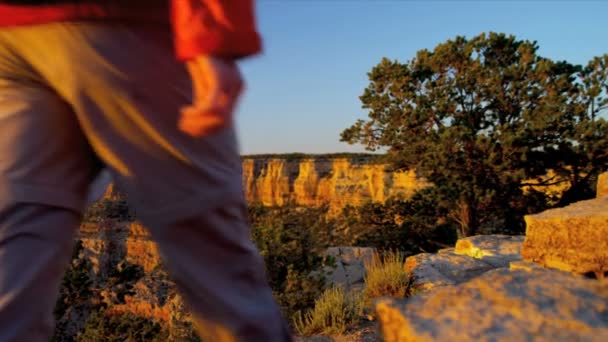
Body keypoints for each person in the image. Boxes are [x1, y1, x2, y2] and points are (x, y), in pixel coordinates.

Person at [0, 0, 292, 341]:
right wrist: (213, 35)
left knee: (15, 241)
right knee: (211, 248)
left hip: (9, 39)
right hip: (121, 24)